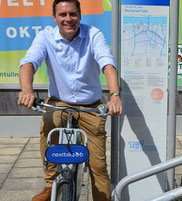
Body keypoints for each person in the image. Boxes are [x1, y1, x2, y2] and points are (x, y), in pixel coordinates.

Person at [17, 0, 122, 201]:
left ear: (80, 15)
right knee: (48, 127)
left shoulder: (93, 34)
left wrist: (115, 95)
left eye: (73, 14)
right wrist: (27, 90)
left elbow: (107, 63)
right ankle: (49, 185)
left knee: (98, 166)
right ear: (54, 18)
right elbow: (29, 62)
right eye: (63, 15)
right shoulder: (45, 37)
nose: (68, 19)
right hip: (59, 102)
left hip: (90, 106)